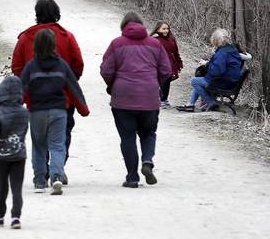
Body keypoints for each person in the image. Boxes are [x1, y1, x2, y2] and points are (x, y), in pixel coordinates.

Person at [11, 0, 83, 185]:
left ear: (37, 14)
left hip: (36, 100)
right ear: (56, 12)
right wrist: (67, 81)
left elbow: (17, 67)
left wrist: (26, 88)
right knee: (63, 134)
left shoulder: (26, 37)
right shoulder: (67, 36)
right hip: (64, 98)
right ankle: (57, 170)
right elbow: (78, 64)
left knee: (39, 139)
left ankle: (42, 174)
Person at [101, 12, 173, 188]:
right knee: (148, 133)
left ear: (123, 26)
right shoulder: (155, 44)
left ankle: (132, 177)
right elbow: (166, 70)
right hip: (149, 96)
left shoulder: (117, 44)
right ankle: (147, 161)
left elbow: (106, 69)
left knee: (127, 137)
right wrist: (154, 84)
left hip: (123, 98)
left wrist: (113, 84)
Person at [19, 29, 88, 196]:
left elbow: (21, 88)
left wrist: (13, 105)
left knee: (39, 146)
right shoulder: (61, 64)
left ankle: (39, 181)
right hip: (58, 111)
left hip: (37, 112)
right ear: (53, 45)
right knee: (57, 146)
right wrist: (83, 108)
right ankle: (56, 176)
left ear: (35, 45)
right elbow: (73, 86)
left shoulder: (31, 66)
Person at [0, 76, 29, 229]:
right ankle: (16, 216)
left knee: (2, 186)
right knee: (17, 187)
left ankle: (0, 214)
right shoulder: (24, 113)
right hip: (19, 155)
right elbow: (23, 133)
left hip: (0, 156)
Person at [176, 28, 243, 113]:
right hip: (230, 80)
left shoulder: (223, 53)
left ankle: (211, 102)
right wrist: (209, 65)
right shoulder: (231, 49)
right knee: (199, 79)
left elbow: (217, 71)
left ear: (215, 40)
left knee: (194, 81)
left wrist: (207, 67)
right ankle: (190, 104)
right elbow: (220, 65)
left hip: (223, 82)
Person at [151, 21, 183, 108]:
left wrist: (179, 62)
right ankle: (160, 99)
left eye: (167, 29)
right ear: (158, 29)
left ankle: (164, 99)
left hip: (170, 64)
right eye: (163, 29)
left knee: (167, 81)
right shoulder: (154, 39)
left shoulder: (171, 39)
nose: (166, 31)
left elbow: (175, 52)